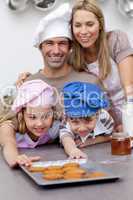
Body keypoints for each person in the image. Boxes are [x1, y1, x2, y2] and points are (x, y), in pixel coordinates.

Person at [0, 13, 101, 167]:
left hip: (84, 160)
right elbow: (8, 128)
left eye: (62, 43)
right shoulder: (29, 84)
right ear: (40, 47)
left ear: (70, 47)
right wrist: (15, 156)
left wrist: (81, 144)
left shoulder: (89, 81)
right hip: (35, 161)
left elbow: (110, 126)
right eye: (49, 43)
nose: (56, 50)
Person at [70, 0, 133, 130]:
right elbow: (55, 74)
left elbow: (129, 87)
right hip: (107, 126)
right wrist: (28, 76)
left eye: (89, 24)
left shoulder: (116, 39)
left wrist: (128, 122)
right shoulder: (73, 58)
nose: (83, 31)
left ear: (100, 24)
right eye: (77, 25)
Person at [0, 79, 61, 167]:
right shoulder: (10, 125)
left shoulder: (54, 127)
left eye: (46, 116)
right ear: (21, 115)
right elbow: (8, 143)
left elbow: (71, 132)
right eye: (32, 117)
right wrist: (15, 158)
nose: (40, 123)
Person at [60, 81, 114, 159]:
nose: (82, 128)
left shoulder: (105, 120)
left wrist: (92, 141)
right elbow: (66, 139)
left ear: (98, 114)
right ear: (67, 117)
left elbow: (110, 136)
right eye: (75, 122)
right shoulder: (66, 121)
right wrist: (73, 150)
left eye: (88, 120)